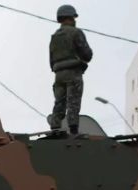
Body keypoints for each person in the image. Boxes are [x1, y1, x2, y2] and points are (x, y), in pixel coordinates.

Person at [47, 4, 92, 135]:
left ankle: (55, 127)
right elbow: (87, 54)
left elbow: (51, 58)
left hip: (58, 74)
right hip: (73, 72)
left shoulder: (54, 36)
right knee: (73, 101)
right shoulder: (76, 33)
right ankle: (73, 129)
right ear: (71, 18)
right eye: (73, 17)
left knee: (59, 102)